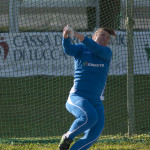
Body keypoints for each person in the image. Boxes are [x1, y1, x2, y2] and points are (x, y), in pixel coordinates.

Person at [59, 25, 116, 150]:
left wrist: (78, 35)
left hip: (95, 100)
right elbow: (68, 49)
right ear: (94, 36)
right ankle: (68, 137)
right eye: (102, 35)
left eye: (107, 37)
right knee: (90, 117)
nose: (105, 38)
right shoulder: (81, 49)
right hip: (77, 96)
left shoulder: (106, 53)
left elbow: (95, 47)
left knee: (94, 135)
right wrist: (66, 36)